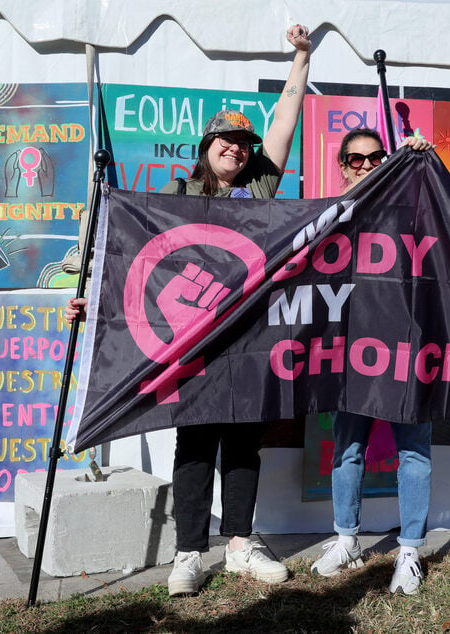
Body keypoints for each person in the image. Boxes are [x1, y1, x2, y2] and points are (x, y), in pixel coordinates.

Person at [65, 24, 312, 597]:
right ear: (204, 146)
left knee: (244, 444)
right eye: (224, 139)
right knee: (196, 445)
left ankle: (242, 545)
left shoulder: (262, 191)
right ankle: (188, 554)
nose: (235, 146)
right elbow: (119, 248)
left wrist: (301, 58)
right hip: (192, 343)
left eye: (243, 143)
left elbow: (283, 121)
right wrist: (85, 296)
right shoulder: (172, 195)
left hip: (249, 339)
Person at [310, 127, 434, 595]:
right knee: (347, 448)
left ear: (386, 160)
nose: (364, 165)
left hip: (405, 344)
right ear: (342, 164)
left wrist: (420, 159)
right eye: (355, 159)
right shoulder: (330, 210)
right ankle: (347, 539)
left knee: (414, 450)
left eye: (374, 158)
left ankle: (409, 551)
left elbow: (445, 214)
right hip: (352, 349)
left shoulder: (410, 203)